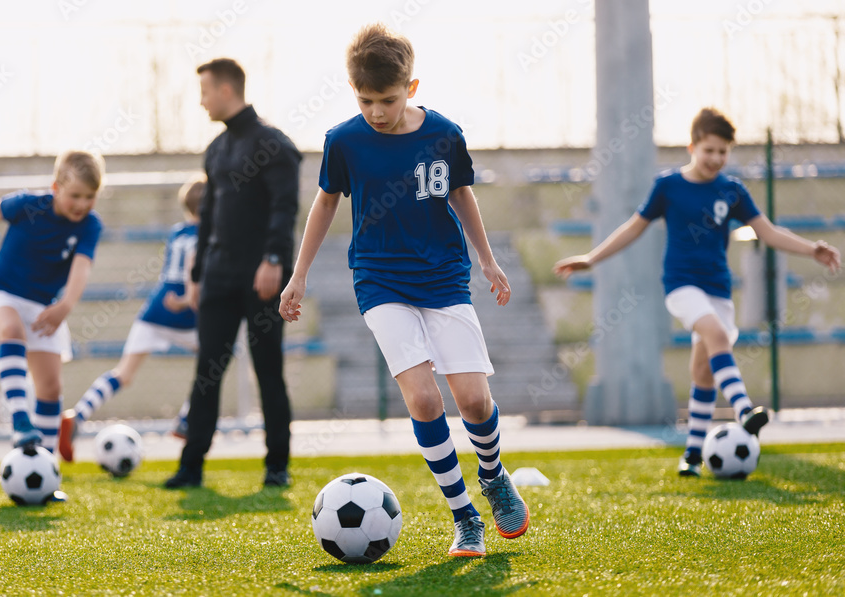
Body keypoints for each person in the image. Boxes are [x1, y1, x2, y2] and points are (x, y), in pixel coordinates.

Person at [279, 23, 530, 558]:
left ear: (411, 89)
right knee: (421, 397)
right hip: (379, 277)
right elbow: (325, 203)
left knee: (474, 400)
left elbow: (462, 194)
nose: (375, 111)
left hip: (443, 276)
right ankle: (465, 517)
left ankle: (492, 475)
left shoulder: (444, 134)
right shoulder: (342, 141)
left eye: (387, 100)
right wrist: (298, 274)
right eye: (365, 99)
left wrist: (487, 261)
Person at [553, 107, 841, 477]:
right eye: (710, 151)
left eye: (723, 152)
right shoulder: (668, 186)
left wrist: (810, 249)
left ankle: (691, 454)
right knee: (716, 334)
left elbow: (768, 232)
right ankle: (744, 410)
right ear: (692, 146)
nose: (716, 159)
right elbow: (633, 228)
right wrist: (591, 258)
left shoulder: (732, 190)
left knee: (703, 369)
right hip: (680, 286)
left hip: (718, 290)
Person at [164, 58, 301, 490]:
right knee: (207, 371)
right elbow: (207, 220)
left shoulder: (274, 144)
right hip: (219, 278)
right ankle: (191, 467)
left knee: (268, 371)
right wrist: (198, 274)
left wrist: (274, 261)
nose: (202, 101)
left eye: (205, 92)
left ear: (225, 90)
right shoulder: (216, 149)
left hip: (262, 278)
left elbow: (285, 208)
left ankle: (276, 466)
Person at [0, 150, 105, 499]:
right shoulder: (27, 205)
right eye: (75, 195)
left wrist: (65, 305)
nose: (81, 204)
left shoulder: (90, 225)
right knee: (11, 331)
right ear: (55, 187)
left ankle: (47, 473)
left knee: (50, 388)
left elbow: (82, 267)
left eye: (89, 197)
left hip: (44, 308)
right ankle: (20, 420)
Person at [58, 175, 205, 462]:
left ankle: (78, 414)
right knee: (214, 360)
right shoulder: (205, 235)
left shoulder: (177, 231)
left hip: (154, 311)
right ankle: (187, 418)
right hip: (183, 310)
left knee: (123, 373)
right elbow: (193, 266)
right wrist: (188, 299)